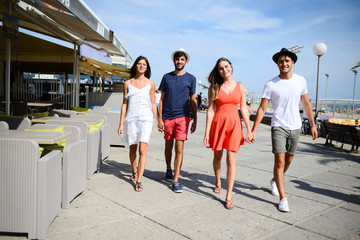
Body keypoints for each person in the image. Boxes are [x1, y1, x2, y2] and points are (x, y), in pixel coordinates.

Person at [251, 48, 318, 212]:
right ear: (277, 64)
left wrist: (313, 124)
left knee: (288, 161)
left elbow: (307, 103)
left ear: (292, 63)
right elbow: (261, 108)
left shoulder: (301, 81)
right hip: (278, 126)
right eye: (281, 61)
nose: (284, 63)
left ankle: (274, 180)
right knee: (279, 162)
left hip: (296, 126)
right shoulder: (271, 84)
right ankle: (283, 198)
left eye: (287, 61)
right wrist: (253, 130)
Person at [203, 57, 253, 209]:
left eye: (226, 66)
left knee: (231, 160)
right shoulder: (214, 87)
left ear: (231, 66)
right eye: (221, 68)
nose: (225, 70)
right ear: (218, 71)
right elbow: (211, 110)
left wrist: (249, 130)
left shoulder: (241, 87)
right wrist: (206, 133)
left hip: (234, 126)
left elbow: (243, 108)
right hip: (218, 125)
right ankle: (218, 181)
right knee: (217, 156)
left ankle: (228, 195)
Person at [157, 48, 197, 193]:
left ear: (185, 61)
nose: (179, 61)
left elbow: (193, 100)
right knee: (168, 146)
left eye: (182, 59)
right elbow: (161, 99)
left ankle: (176, 180)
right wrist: (160, 119)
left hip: (183, 117)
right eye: (177, 59)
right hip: (167, 117)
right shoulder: (166, 77)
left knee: (179, 149)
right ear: (173, 60)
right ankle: (168, 168)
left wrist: (195, 119)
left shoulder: (191, 78)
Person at [118, 56, 159, 192]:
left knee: (142, 149)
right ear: (136, 66)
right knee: (132, 149)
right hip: (131, 119)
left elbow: (153, 103)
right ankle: (134, 170)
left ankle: (139, 180)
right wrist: (120, 124)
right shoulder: (127, 83)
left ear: (147, 68)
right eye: (139, 64)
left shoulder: (151, 83)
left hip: (146, 119)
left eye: (144, 64)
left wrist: (159, 119)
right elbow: (124, 104)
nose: (141, 66)